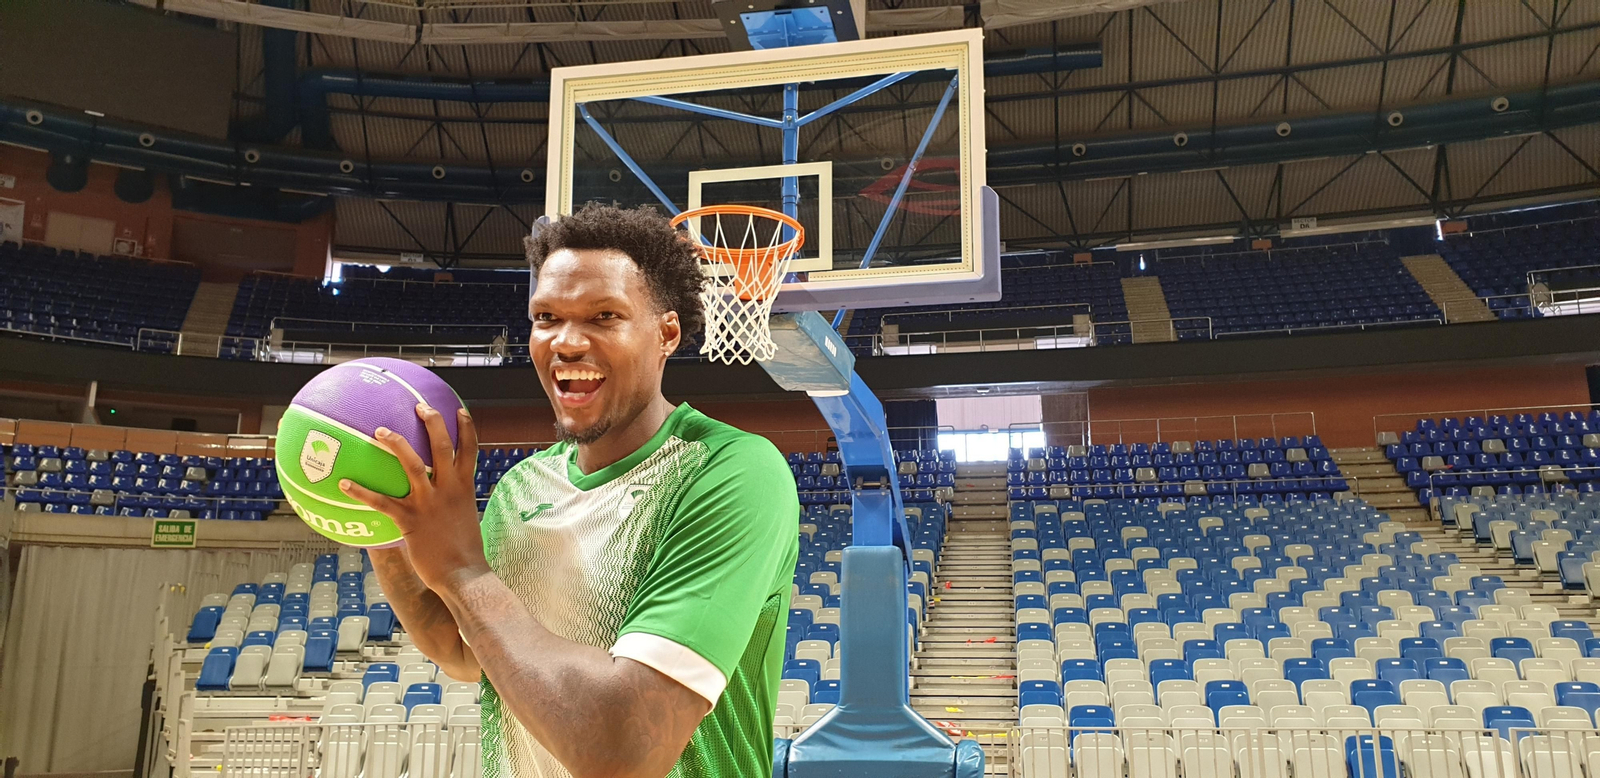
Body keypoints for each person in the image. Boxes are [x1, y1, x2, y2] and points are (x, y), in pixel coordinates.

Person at [341, 203, 800, 778]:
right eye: (546, 316)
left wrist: (462, 571)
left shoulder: (730, 471)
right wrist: (383, 521)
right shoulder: (520, 488)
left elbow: (626, 752)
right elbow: (466, 651)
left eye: (604, 316)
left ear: (667, 333)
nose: (566, 341)